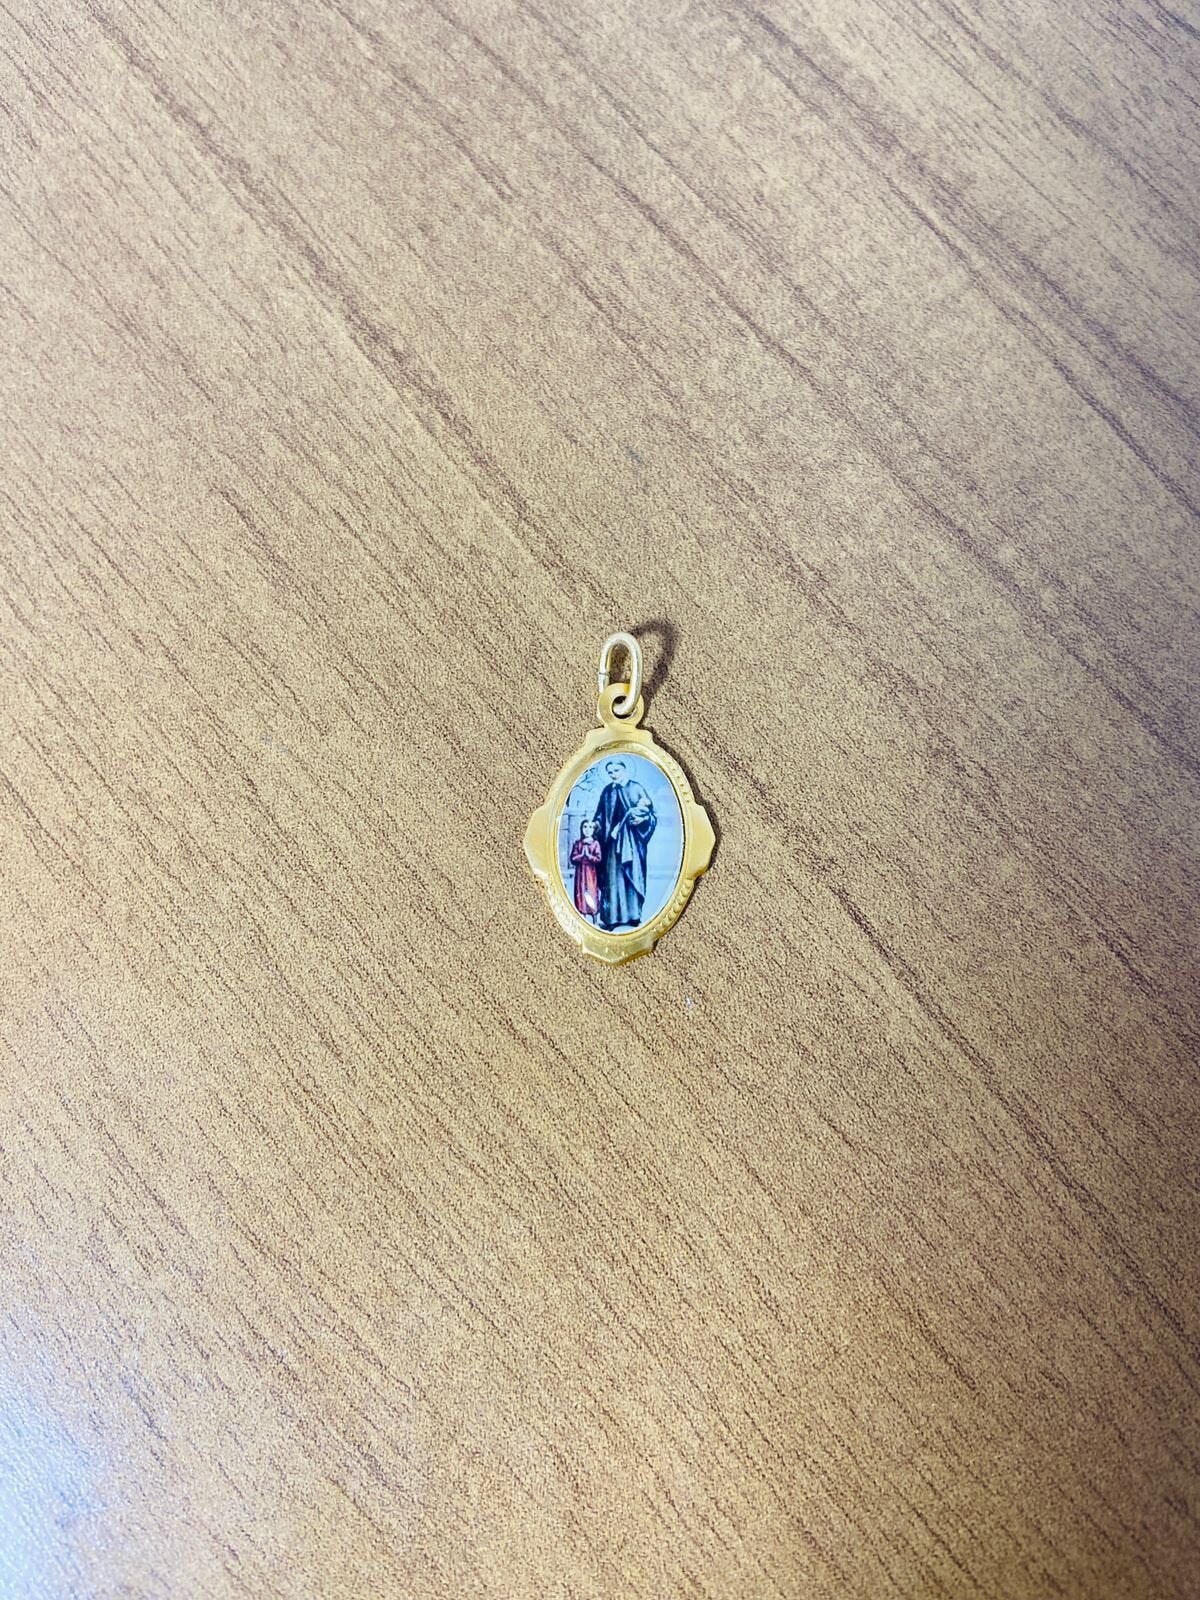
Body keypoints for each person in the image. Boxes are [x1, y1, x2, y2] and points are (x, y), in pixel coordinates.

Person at [592, 759, 656, 931]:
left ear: (624, 770)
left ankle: (633, 916)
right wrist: (595, 826)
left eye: (616, 770)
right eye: (610, 772)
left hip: (632, 842)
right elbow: (600, 815)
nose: (613, 774)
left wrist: (642, 820)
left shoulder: (636, 788)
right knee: (612, 879)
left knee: (631, 876)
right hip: (612, 844)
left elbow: (651, 815)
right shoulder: (607, 791)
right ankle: (611, 918)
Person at [569, 818, 602, 921]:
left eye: (590, 827)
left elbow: (598, 858)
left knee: (592, 892)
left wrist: (589, 856)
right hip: (580, 873)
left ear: (594, 830)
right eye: (585, 827)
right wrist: (581, 856)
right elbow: (573, 858)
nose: (587, 830)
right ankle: (582, 916)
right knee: (581, 892)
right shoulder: (578, 843)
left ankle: (594, 918)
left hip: (590, 873)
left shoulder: (595, 843)